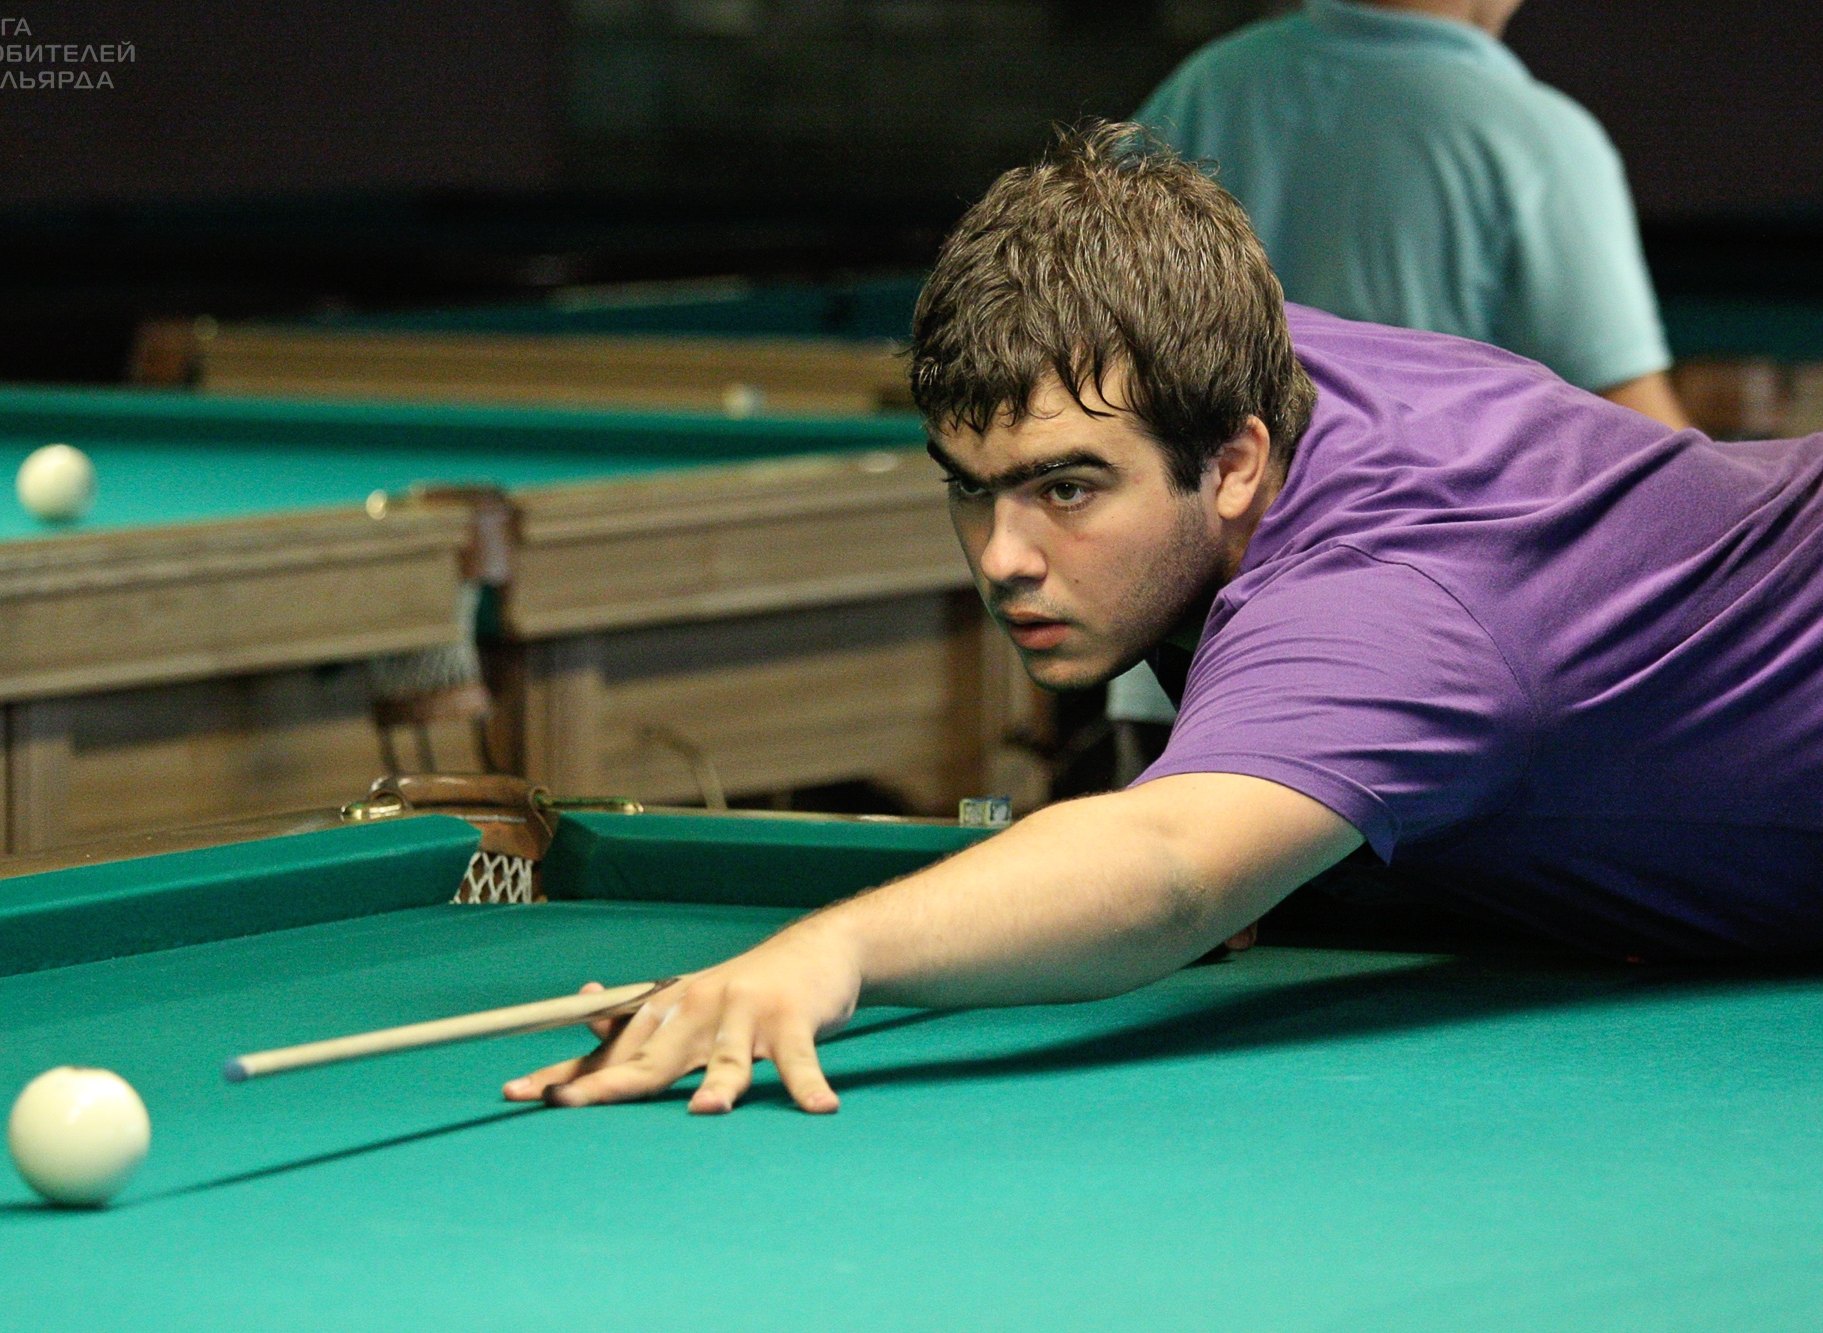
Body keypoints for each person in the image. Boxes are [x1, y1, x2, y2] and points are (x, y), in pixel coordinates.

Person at [505, 124, 1823, 1117]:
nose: (1002, 559)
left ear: (1236, 461)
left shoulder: (1388, 599)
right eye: (968, 488)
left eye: (1066, 490)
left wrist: (827, 952)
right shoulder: (1220, 357)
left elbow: (1172, 868)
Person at [1135, 0, 1689, 429]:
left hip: (1225, 527)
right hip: (1436, 536)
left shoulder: (1201, 88)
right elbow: (1637, 428)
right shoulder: (1541, 139)